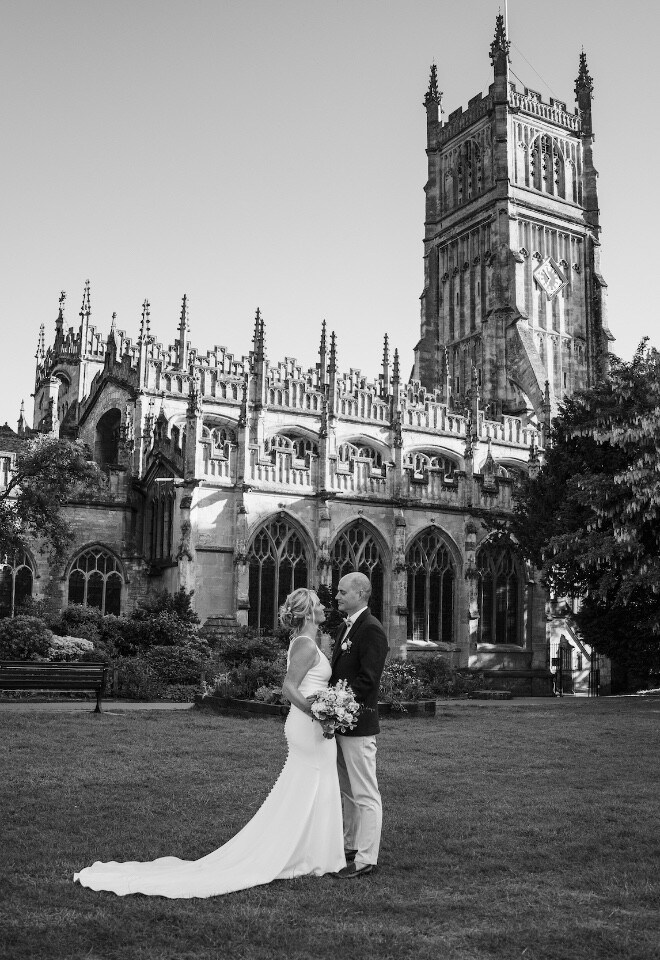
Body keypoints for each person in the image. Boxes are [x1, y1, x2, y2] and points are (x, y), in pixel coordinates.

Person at [73, 588, 345, 898]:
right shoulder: (306, 646)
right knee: (309, 784)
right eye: (320, 604)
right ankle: (304, 853)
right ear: (309, 612)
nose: (325, 607)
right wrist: (318, 712)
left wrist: (327, 709)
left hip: (313, 724)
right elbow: (288, 688)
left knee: (313, 786)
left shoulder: (306, 642)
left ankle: (314, 852)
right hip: (308, 724)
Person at [330, 572, 389, 880]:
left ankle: (366, 858)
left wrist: (337, 704)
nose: (337, 596)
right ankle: (350, 845)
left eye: (342, 592)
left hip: (359, 722)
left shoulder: (372, 630)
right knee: (347, 790)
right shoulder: (345, 626)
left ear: (360, 594)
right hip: (340, 723)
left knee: (365, 792)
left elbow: (368, 679)